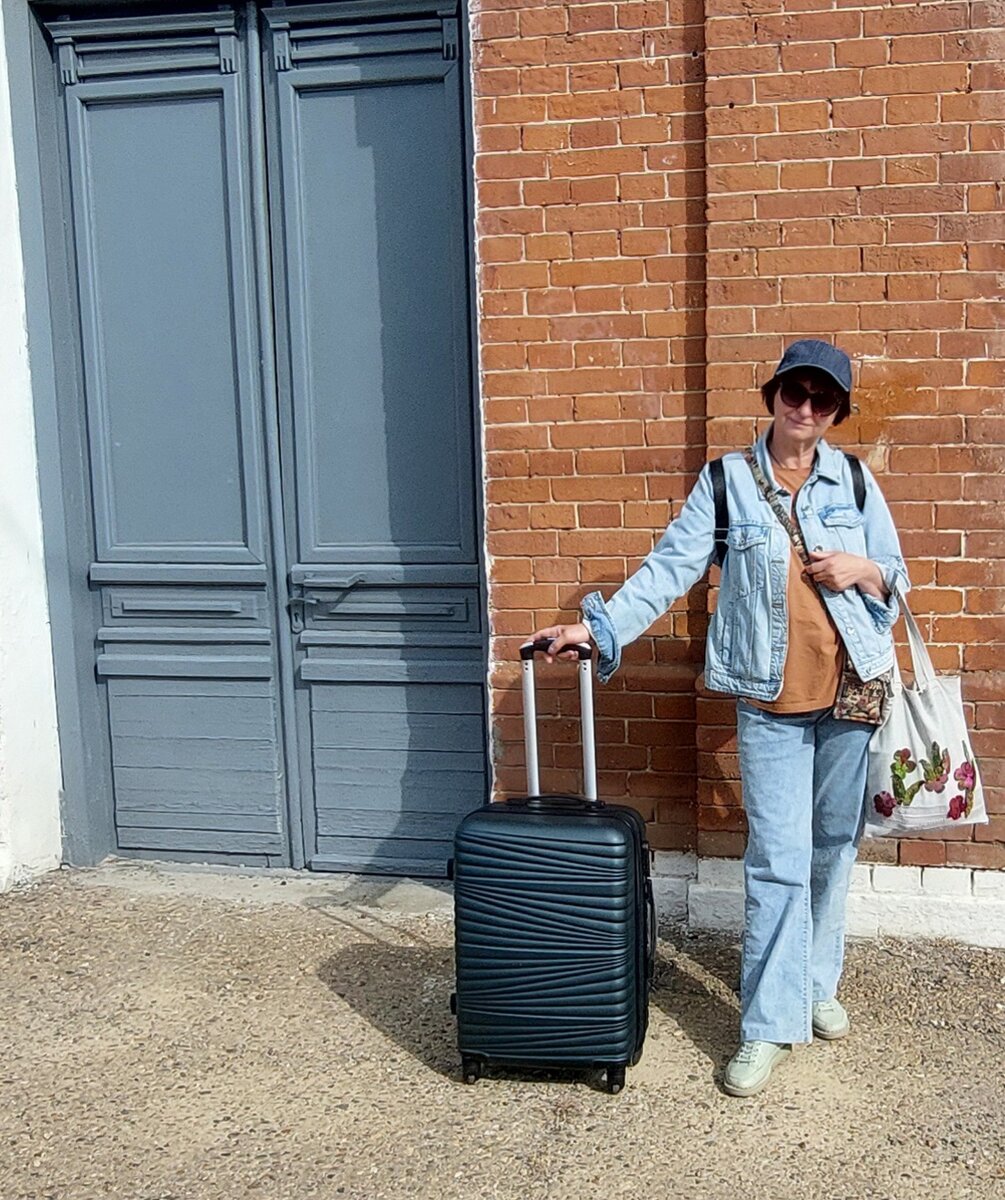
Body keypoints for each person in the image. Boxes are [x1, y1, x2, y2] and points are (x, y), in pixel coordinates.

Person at [531, 339, 910, 1098]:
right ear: (771, 395)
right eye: (792, 392)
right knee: (776, 855)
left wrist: (859, 568)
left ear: (836, 411)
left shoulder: (856, 481)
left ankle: (812, 983)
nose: (804, 408)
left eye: (822, 399)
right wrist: (596, 629)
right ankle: (767, 1024)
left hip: (853, 690)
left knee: (833, 845)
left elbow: (894, 582)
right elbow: (668, 568)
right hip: (768, 696)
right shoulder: (727, 482)